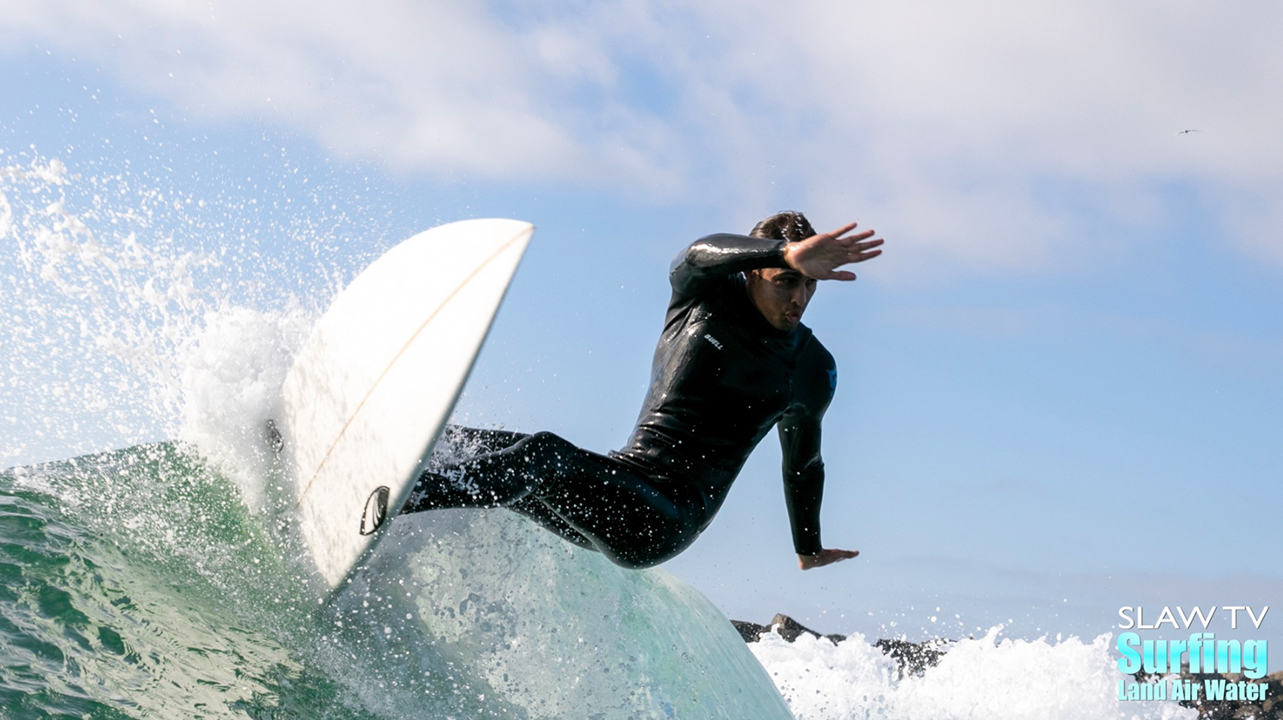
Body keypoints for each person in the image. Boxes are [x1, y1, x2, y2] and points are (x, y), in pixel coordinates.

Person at [403, 211, 883, 571]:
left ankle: (395, 504)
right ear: (752, 270)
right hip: (619, 483)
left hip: (665, 520)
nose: (799, 298)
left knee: (543, 453)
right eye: (786, 281)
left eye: (808, 285)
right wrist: (784, 252)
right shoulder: (705, 296)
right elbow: (694, 254)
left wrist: (808, 546)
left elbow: (802, 463)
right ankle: (391, 454)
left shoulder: (812, 367)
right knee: (479, 444)